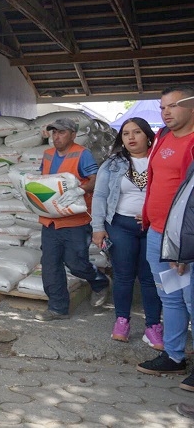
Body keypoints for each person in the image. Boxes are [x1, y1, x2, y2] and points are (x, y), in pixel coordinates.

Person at [137, 86, 194, 390]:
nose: (166, 113)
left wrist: (184, 248)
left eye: (172, 106)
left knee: (192, 299)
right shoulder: (163, 137)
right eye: (162, 107)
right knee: (171, 297)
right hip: (158, 233)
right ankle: (174, 356)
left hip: (184, 241)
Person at [91, 118, 162, 345]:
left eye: (137, 132)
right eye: (126, 133)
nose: (131, 137)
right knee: (123, 276)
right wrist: (98, 228)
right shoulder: (113, 163)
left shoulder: (160, 159)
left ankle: (153, 326)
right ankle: (122, 320)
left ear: (148, 136)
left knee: (150, 278)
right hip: (121, 226)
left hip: (153, 227)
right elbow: (100, 196)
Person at [35, 117, 110, 321]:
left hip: (75, 222)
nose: (56, 136)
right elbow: (42, 181)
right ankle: (58, 308)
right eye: (53, 133)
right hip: (50, 220)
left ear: (73, 134)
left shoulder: (81, 154)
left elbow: (95, 180)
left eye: (61, 132)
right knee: (50, 266)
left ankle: (100, 281)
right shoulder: (48, 154)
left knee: (76, 264)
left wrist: (79, 189)